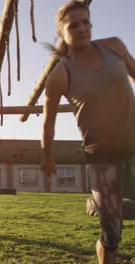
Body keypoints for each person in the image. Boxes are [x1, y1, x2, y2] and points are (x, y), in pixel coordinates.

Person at [41, 1, 134, 263]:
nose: (82, 28)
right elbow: (48, 123)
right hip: (101, 158)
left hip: (134, 145)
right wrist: (47, 156)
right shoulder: (60, 75)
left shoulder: (114, 46)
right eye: (74, 25)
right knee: (113, 233)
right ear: (62, 32)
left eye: (86, 22)